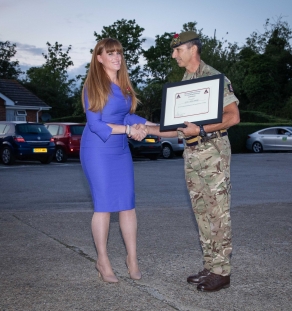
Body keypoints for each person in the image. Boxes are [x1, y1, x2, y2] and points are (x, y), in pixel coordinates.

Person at [144, 31, 240, 292]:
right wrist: (149, 129)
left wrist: (201, 130)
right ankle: (210, 265)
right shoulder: (186, 81)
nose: (174, 55)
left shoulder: (214, 78)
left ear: (192, 49)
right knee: (201, 211)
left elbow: (232, 116)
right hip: (192, 154)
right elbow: (177, 128)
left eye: (177, 50)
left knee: (217, 211)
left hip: (213, 154)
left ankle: (222, 271)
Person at [80, 38, 154, 283]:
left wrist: (151, 126)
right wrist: (129, 130)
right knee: (103, 206)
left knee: (127, 205)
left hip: (121, 151)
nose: (116, 57)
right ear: (99, 58)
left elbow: (129, 117)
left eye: (119, 53)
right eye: (110, 53)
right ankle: (103, 261)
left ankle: (131, 258)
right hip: (97, 151)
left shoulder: (123, 86)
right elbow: (96, 124)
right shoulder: (92, 86)